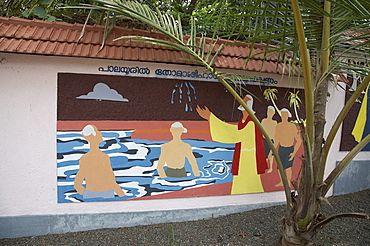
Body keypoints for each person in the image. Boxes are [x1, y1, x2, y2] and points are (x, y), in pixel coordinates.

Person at [196, 95, 268, 194]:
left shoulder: (251, 122)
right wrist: (211, 118)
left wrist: (211, 118)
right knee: (241, 177)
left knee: (249, 177)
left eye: (244, 101)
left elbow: (236, 135)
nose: (241, 102)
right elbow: (234, 131)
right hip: (243, 155)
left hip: (249, 156)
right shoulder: (242, 121)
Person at [74, 125, 125, 199]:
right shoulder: (103, 157)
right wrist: (123, 196)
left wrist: (87, 193)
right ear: (95, 136)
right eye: (98, 131)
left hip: (89, 195)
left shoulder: (84, 158)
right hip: (106, 194)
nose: (100, 133)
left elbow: (77, 184)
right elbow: (111, 181)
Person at [273, 108, 302, 187]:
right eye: (282, 114)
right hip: (281, 148)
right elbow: (277, 140)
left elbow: (299, 140)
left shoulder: (292, 126)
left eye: (285, 114)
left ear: (288, 116)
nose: (283, 116)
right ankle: (282, 182)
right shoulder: (278, 126)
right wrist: (272, 151)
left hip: (289, 148)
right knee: (280, 167)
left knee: (288, 167)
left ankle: (288, 183)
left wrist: (293, 153)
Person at [261, 106, 278, 173]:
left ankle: (270, 167)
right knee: (265, 155)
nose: (269, 113)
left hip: (271, 139)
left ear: (273, 113)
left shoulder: (274, 122)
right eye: (268, 111)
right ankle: (264, 166)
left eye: (271, 112)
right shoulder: (264, 121)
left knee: (271, 155)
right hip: (264, 139)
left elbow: (275, 132)